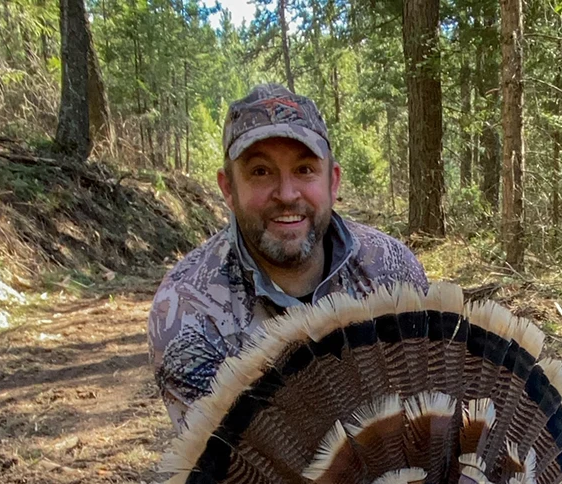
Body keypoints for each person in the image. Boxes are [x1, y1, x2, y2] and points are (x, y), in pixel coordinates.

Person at [147, 84, 428, 429]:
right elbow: (234, 472)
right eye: (260, 172)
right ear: (228, 189)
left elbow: (425, 406)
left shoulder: (392, 268)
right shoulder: (186, 310)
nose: (286, 194)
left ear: (333, 182)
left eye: (305, 169)